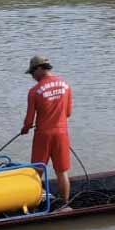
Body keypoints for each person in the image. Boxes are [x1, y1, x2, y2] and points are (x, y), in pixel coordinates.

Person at [20, 54, 73, 205]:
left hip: (43, 135)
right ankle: (64, 205)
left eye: (32, 72)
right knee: (62, 172)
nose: (32, 76)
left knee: (36, 171)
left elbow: (29, 121)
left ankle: (33, 204)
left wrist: (25, 128)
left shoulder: (34, 91)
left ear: (40, 69)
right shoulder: (66, 85)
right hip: (61, 134)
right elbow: (68, 113)